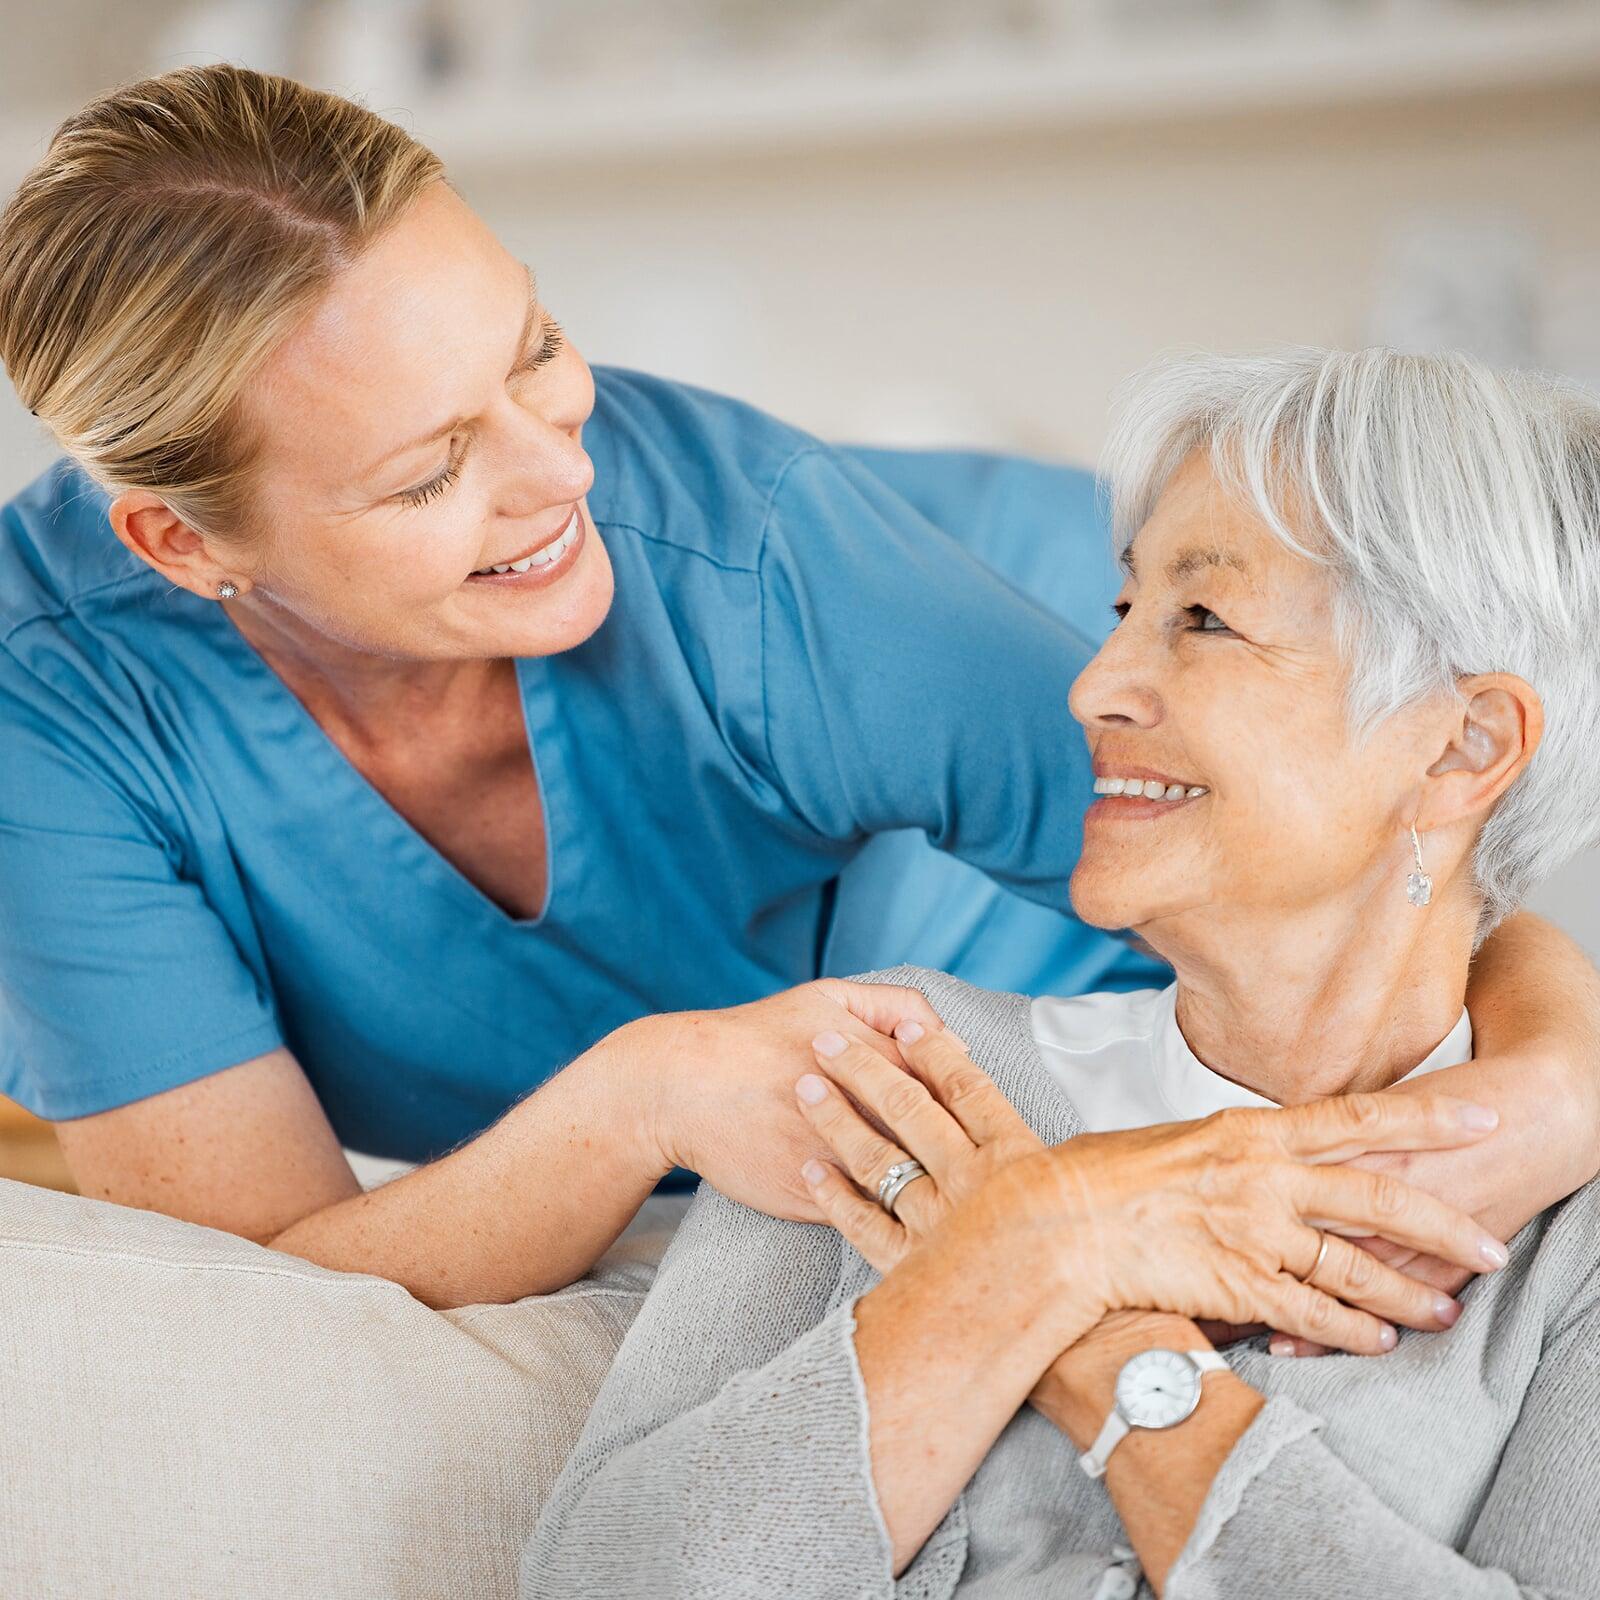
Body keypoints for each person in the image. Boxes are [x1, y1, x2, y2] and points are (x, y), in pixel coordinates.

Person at [0, 67, 1594, 1312]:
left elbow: (1403, 844)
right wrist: (642, 1100)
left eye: (538, 348)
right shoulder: (52, 703)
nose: (563, 467)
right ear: (179, 544)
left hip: (1057, 665)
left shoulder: (752, 563)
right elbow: (271, 1268)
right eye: (430, 471)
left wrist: (1563, 1073)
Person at [525, 349, 1600, 1599]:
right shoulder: (904, 1073)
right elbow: (606, 1579)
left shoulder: (1570, 1236)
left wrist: (1102, 1338)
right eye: (1124, 609)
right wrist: (1041, 1237)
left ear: (1463, 746)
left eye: (1203, 618)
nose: (1093, 688)